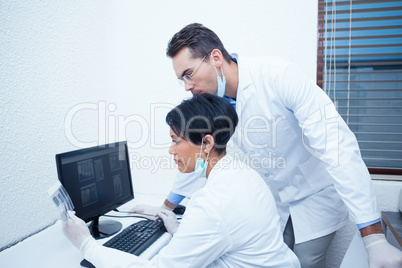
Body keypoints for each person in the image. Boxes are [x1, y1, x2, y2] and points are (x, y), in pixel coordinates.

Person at [131, 23, 402, 268]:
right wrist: (166, 206)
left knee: (305, 262)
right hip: (276, 202)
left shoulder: (279, 76)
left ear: (215, 57)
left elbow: (337, 147)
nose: (187, 86)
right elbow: (198, 151)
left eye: (189, 74)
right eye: (182, 79)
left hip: (316, 197)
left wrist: (373, 237)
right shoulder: (215, 104)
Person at [63, 93, 301, 268]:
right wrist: (179, 231)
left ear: (206, 144)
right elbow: (222, 236)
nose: (171, 150)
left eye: (176, 140)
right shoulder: (243, 174)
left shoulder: (213, 202)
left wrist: (86, 245)